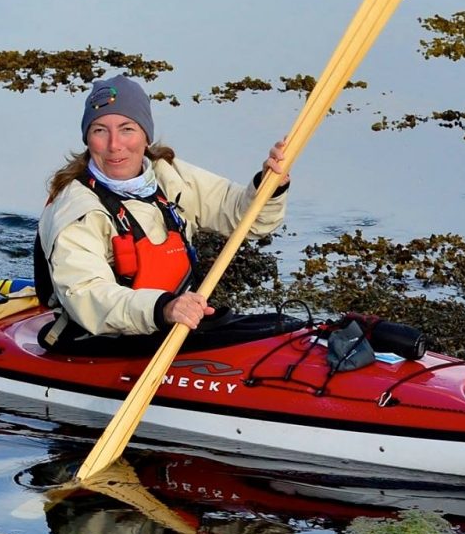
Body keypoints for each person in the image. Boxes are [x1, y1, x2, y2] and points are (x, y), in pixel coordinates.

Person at [35, 74, 290, 349]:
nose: (114, 145)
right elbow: (87, 295)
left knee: (284, 325)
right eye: (99, 130)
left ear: (146, 134)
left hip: (172, 323)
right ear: (87, 138)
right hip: (101, 337)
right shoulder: (77, 209)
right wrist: (164, 309)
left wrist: (269, 186)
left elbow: (246, 219)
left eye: (126, 129)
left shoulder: (168, 175)